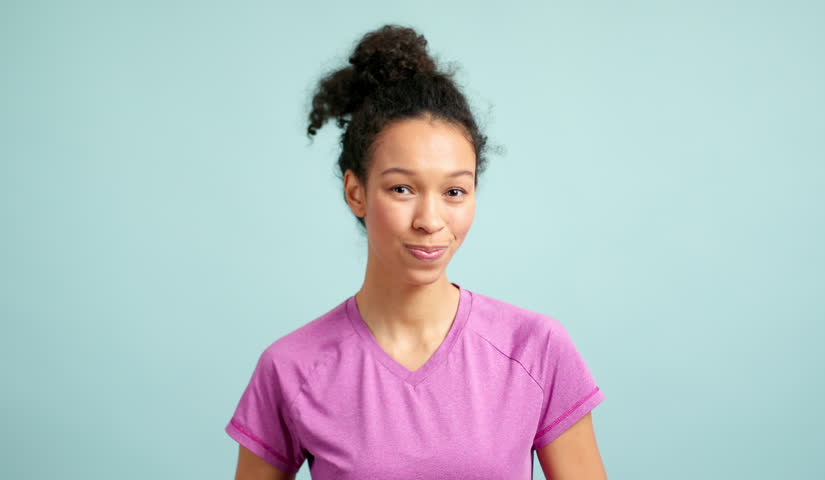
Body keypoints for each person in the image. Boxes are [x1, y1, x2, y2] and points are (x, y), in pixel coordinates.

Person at [225, 23, 608, 480]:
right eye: (402, 188)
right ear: (356, 192)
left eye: (454, 191)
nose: (430, 220)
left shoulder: (536, 349)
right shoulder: (291, 368)